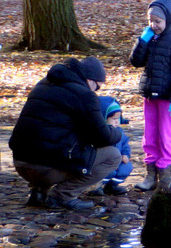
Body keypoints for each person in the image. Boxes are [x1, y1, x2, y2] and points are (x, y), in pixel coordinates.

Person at [7, 57, 122, 213]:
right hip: (46, 170)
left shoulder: (43, 84)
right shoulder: (84, 95)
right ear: (90, 80)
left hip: (20, 163)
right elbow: (101, 136)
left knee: (51, 138)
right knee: (113, 155)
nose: (96, 92)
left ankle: (38, 192)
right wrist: (116, 131)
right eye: (98, 87)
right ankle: (64, 195)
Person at [130, 0, 171, 191]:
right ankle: (150, 173)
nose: (153, 25)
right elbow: (136, 61)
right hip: (150, 95)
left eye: (158, 21)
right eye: (150, 21)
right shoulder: (150, 38)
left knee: (165, 136)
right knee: (150, 136)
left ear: (169, 20)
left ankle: (164, 173)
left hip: (168, 98)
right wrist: (142, 42)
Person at [90, 96, 132, 197]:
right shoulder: (98, 133)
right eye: (113, 119)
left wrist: (126, 154)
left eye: (118, 118)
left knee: (126, 167)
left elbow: (125, 144)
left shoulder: (119, 131)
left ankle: (112, 185)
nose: (117, 122)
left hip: (118, 161)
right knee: (108, 172)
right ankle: (96, 186)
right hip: (105, 163)